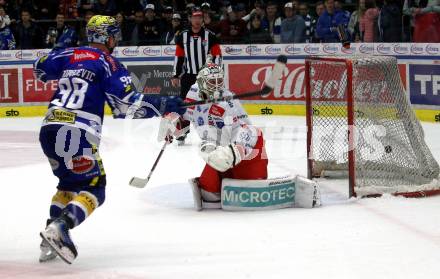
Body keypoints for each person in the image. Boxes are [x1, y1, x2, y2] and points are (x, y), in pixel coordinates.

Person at [36, 15, 185, 264]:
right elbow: (126, 105)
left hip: (49, 128)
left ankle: (48, 237)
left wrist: (60, 48)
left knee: (67, 185)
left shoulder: (69, 54)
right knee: (95, 188)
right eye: (114, 35)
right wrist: (165, 102)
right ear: (108, 37)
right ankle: (61, 227)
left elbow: (40, 69)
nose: (116, 40)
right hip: (77, 132)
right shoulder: (108, 62)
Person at [159, 61, 268, 209]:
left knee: (251, 188)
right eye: (212, 82)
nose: (217, 86)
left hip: (238, 152)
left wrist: (236, 151)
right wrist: (173, 124)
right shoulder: (193, 94)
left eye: (219, 81)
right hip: (216, 152)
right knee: (208, 193)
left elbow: (248, 129)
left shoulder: (229, 102)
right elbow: (184, 116)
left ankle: (237, 171)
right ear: (202, 83)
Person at [171, 9, 222, 145]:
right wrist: (175, 75)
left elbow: (217, 56)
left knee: (209, 105)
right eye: (195, 17)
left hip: (205, 77)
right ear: (190, 19)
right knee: (183, 106)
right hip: (188, 77)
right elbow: (179, 57)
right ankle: (182, 132)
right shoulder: (182, 36)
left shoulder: (210, 35)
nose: (198, 20)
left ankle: (213, 132)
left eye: (200, 17)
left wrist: (215, 74)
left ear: (203, 19)